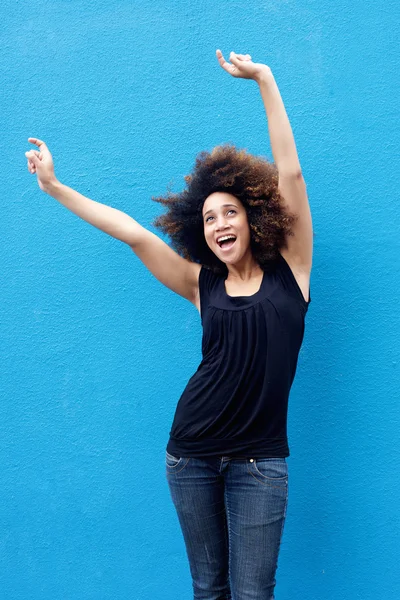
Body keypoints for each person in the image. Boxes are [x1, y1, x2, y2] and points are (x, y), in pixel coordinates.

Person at [26, 49, 313, 600]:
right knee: (209, 589)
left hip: (262, 462)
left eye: (230, 212)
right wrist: (56, 189)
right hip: (191, 455)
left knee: (254, 593)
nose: (219, 224)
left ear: (253, 219)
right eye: (208, 218)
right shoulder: (200, 286)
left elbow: (291, 172)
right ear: (198, 232)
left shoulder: (292, 274)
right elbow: (135, 234)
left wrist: (264, 80)